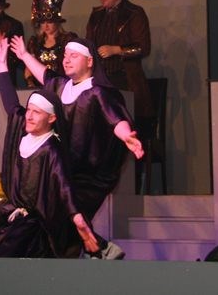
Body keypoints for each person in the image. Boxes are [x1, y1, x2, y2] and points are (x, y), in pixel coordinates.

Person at [12, 35, 141, 258]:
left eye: (74, 56)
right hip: (64, 170)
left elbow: (115, 117)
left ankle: (98, 250)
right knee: (54, 219)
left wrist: (126, 135)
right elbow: (44, 74)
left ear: (90, 61)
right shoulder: (60, 86)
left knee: (63, 216)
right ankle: (100, 250)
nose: (66, 60)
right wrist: (24, 55)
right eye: (65, 55)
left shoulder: (98, 92)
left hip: (90, 176)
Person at [0, 38, 101, 258]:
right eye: (29, 110)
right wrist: (2, 65)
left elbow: (64, 187)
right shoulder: (23, 128)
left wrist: (77, 218)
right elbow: (11, 104)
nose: (29, 116)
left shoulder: (52, 150)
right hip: (14, 217)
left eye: (36, 112)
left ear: (51, 118)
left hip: (36, 227)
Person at [85, 0, 153, 120]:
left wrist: (117, 50)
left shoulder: (134, 13)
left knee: (124, 120)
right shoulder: (96, 16)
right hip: (101, 79)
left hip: (125, 80)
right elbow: (89, 44)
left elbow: (143, 47)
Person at [24, 0, 77, 88]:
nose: (46, 25)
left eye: (49, 21)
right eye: (42, 22)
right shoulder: (34, 42)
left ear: (57, 22)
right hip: (39, 87)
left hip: (63, 87)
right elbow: (29, 67)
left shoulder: (68, 40)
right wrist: (30, 82)